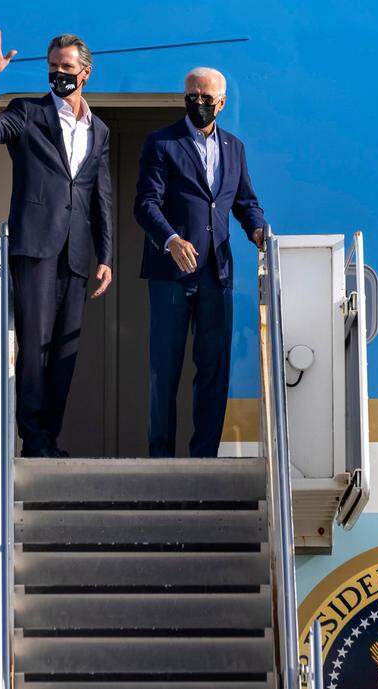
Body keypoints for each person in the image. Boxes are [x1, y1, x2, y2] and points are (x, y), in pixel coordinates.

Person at [0, 28, 113, 457]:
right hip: (34, 246)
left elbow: (100, 194)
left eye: (66, 68)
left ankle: (49, 438)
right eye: (52, 68)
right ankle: (33, 440)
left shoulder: (99, 129)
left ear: (85, 73)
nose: (58, 75)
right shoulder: (27, 112)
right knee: (32, 345)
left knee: (64, 349)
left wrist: (106, 255)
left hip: (77, 252)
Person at [134, 66, 267, 458]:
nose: (198, 103)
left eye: (206, 98)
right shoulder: (162, 143)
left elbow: (245, 202)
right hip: (170, 275)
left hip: (216, 274)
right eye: (192, 95)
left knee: (213, 370)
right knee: (165, 370)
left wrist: (258, 230)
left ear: (221, 103)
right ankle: (161, 459)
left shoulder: (234, 148)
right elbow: (145, 203)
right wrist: (170, 239)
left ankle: (204, 458)